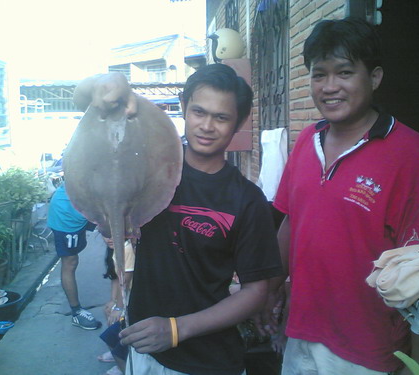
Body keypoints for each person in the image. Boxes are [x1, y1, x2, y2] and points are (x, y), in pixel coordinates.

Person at [261, 18, 419, 375]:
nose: (330, 87)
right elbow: (290, 221)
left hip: (368, 352)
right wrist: (270, 291)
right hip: (300, 336)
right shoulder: (305, 142)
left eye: (344, 72)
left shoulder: (410, 153)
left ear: (374, 78)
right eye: (319, 74)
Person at [73, 64, 283, 375]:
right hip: (143, 349)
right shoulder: (149, 167)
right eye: (199, 112)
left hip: (208, 361)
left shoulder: (247, 199)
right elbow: (92, 105)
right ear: (184, 107)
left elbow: (256, 291)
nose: (207, 126)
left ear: (239, 123)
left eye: (221, 117)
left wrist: (174, 329)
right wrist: (106, 83)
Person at [47, 182, 101, 330]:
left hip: (85, 207)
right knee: (70, 261)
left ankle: (121, 302)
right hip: (67, 212)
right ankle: (76, 313)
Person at [99, 237, 135, 375]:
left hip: (132, 297)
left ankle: (122, 362)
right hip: (125, 296)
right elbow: (115, 277)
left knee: (116, 328)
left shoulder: (127, 249)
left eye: (112, 234)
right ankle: (116, 353)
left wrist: (119, 308)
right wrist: (112, 301)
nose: (108, 239)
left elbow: (124, 282)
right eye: (105, 234)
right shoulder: (114, 250)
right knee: (108, 311)